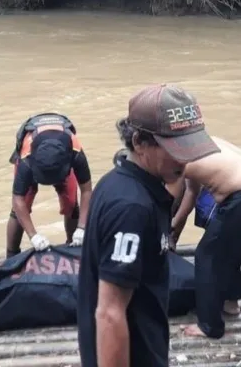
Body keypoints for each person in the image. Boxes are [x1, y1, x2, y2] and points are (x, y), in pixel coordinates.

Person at [77, 84, 219, 367]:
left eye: (190, 147)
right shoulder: (131, 209)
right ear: (140, 142)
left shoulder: (122, 183)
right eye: (176, 149)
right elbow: (109, 313)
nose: (186, 159)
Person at [170, 136, 241, 339]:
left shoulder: (173, 157)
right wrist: (173, 226)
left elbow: (166, 198)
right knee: (229, 250)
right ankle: (230, 303)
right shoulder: (196, 142)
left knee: (207, 255)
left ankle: (210, 325)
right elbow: (191, 193)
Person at [6, 112, 93, 257]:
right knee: (21, 209)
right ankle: (10, 254)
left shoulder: (75, 152)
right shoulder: (26, 160)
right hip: (35, 158)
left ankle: (74, 248)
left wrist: (82, 228)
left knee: (71, 203)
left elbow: (86, 190)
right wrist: (33, 236)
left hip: (61, 161)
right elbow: (17, 199)